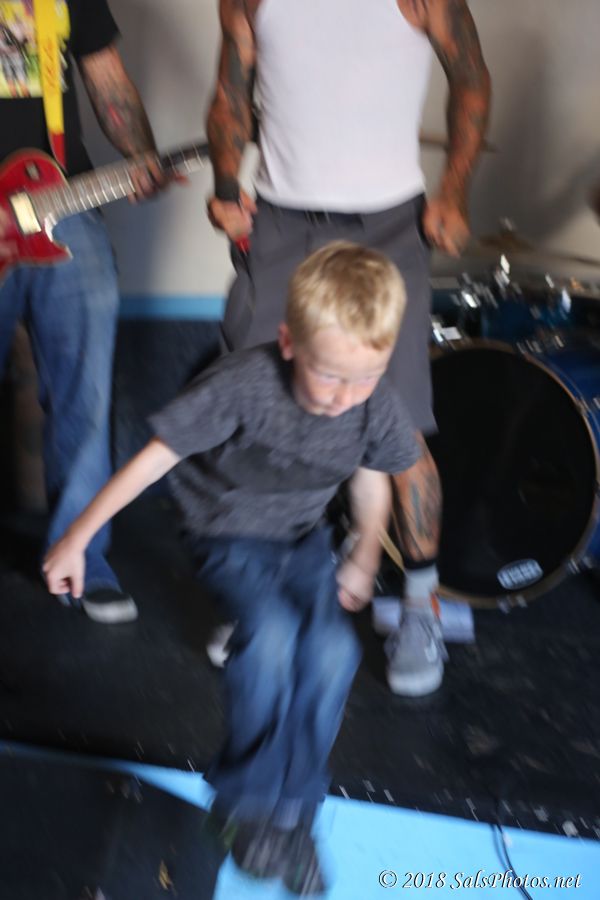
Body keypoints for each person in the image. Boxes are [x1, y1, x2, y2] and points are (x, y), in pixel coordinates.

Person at [43, 242, 442, 892]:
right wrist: (76, 539)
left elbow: (373, 479)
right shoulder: (243, 383)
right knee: (273, 638)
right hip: (226, 532)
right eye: (329, 376)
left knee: (335, 652)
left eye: (364, 377)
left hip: (304, 540)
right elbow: (155, 459)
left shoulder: (373, 402)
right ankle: (245, 806)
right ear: (288, 342)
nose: (345, 397)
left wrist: (366, 552)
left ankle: (295, 819)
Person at [205, 0, 491, 694]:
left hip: (389, 223)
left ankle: (419, 607)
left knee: (400, 423)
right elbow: (230, 94)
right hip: (280, 222)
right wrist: (225, 186)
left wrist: (453, 190)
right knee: (259, 412)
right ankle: (262, 595)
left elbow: (472, 80)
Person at [0, 0, 168, 623]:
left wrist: (141, 152)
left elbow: (107, 78)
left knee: (86, 390)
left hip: (60, 199)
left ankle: (84, 556)